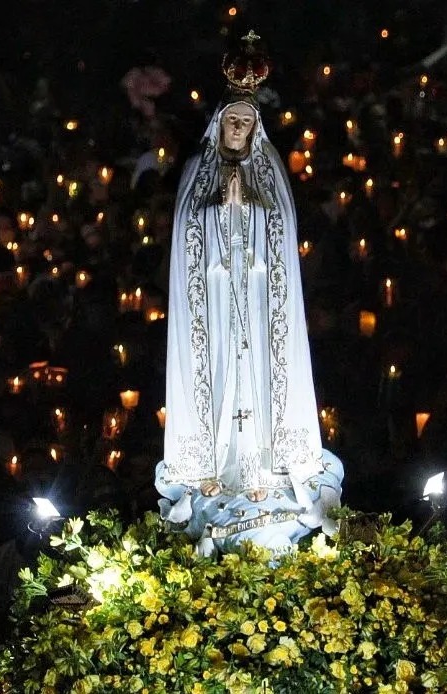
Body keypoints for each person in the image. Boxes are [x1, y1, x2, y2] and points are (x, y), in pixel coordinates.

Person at [161, 31, 324, 503]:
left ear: (256, 127)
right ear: (219, 123)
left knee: (257, 370)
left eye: (245, 123)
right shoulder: (198, 168)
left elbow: (280, 225)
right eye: (231, 120)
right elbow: (189, 225)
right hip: (212, 295)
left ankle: (263, 466)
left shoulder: (269, 166)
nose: (237, 129)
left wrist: (246, 206)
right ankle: (210, 461)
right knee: (215, 367)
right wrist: (218, 207)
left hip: (256, 293)